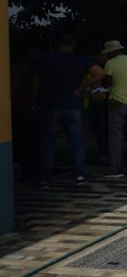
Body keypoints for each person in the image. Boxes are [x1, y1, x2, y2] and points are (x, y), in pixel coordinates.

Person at [31, 35, 105, 186]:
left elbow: (35, 83)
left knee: (48, 143)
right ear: (74, 45)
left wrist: (33, 102)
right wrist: (82, 87)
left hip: (49, 105)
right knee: (77, 142)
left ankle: (45, 177)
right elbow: (100, 72)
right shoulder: (80, 60)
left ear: (57, 44)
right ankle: (80, 176)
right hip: (73, 105)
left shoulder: (44, 59)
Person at [101, 40, 127, 178]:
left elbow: (107, 85)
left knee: (116, 137)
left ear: (112, 52)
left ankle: (116, 169)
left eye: (108, 53)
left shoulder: (110, 64)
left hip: (116, 103)